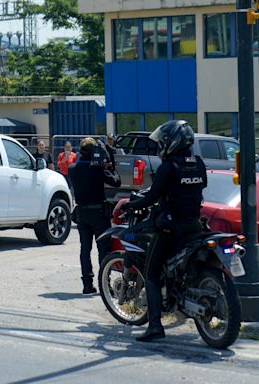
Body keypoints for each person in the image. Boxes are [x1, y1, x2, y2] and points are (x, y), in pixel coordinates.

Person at [121, 120, 207, 342]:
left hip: (170, 228)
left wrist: (131, 206)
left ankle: (155, 325)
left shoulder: (167, 167)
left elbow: (152, 197)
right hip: (195, 225)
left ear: (171, 143)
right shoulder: (198, 163)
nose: (160, 146)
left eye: (162, 142)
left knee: (150, 274)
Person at [69, 137, 121, 295]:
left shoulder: (72, 168)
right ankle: (105, 284)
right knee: (103, 250)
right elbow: (116, 182)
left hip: (82, 213)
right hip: (98, 213)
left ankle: (87, 285)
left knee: (85, 249)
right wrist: (110, 166)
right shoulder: (98, 169)